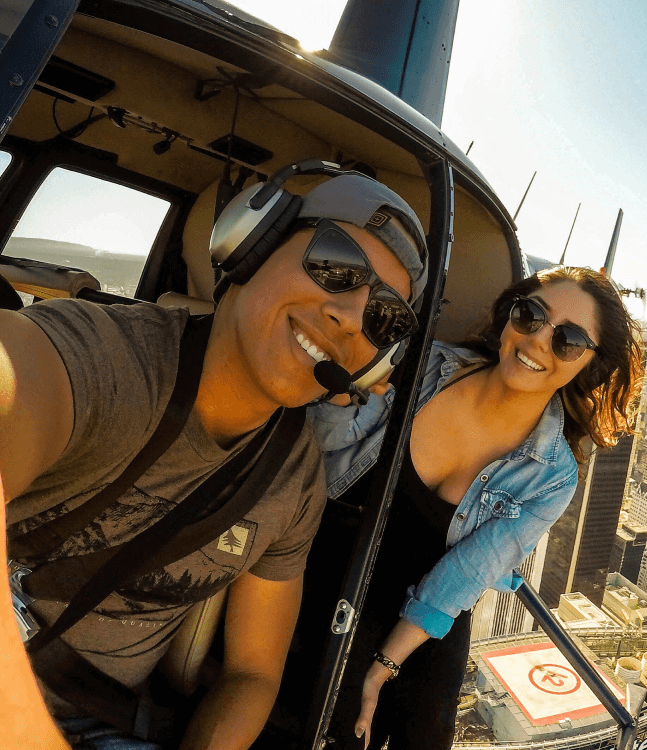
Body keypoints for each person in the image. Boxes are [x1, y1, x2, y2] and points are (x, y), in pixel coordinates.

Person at [0, 169, 427, 749]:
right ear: (251, 244)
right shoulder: (102, 358)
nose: (351, 316)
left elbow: (252, 674)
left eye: (384, 318)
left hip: (105, 722)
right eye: (335, 265)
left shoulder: (296, 484)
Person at [308, 266, 644, 749]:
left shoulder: (552, 477)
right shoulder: (424, 365)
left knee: (424, 729)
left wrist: (382, 669)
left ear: (588, 365)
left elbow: (464, 575)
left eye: (567, 340)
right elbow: (322, 451)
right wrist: (346, 394)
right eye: (530, 315)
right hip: (336, 551)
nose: (535, 343)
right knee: (334, 716)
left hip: (426, 601)